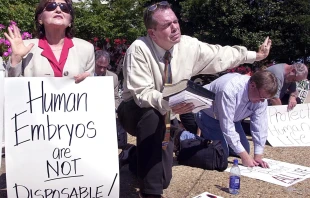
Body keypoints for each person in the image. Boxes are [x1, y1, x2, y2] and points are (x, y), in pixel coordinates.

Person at [117, 1, 272, 197]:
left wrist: (255, 56)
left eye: (175, 21)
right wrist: (170, 103)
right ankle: (151, 194)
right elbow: (142, 94)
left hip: (168, 112)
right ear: (152, 33)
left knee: (163, 179)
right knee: (152, 117)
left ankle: (132, 154)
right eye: (166, 25)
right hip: (135, 110)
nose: (175, 27)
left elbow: (220, 54)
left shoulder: (188, 45)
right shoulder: (139, 49)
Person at [195, 70, 278, 168]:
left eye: (265, 99)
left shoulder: (261, 97)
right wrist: (245, 157)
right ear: (252, 85)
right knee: (221, 154)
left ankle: (219, 141)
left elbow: (260, 125)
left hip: (233, 119)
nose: (262, 101)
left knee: (244, 150)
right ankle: (187, 139)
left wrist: (258, 156)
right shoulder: (229, 90)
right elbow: (227, 126)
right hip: (208, 115)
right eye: (261, 97)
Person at [4, 0, 94, 82]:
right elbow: (13, 89)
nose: (58, 10)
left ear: (70, 21)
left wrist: (87, 82)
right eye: (51, 6)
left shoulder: (86, 49)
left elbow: (91, 89)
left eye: (65, 8)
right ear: (40, 19)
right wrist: (16, 59)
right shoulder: (24, 47)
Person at [94, 50, 134, 162]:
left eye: (105, 67)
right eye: (99, 66)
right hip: (89, 111)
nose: (102, 70)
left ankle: (122, 148)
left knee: (121, 117)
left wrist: (116, 110)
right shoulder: (85, 75)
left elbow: (116, 97)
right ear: (94, 63)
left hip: (106, 111)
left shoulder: (113, 77)